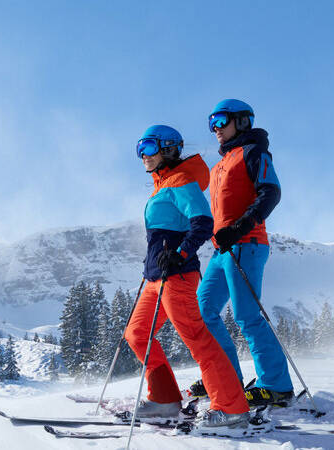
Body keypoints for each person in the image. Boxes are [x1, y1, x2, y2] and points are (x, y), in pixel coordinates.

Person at [125, 125, 249, 427]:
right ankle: (165, 399)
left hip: (177, 277)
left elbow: (203, 223)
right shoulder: (162, 183)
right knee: (137, 334)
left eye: (150, 147)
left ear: (168, 149)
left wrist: (179, 253)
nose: (144, 155)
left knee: (197, 340)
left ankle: (232, 408)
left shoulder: (181, 180)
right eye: (140, 148)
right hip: (156, 278)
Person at [192, 99, 293, 407]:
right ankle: (226, 378)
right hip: (222, 250)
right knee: (204, 309)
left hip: (247, 243)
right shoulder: (220, 165)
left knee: (246, 315)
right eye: (212, 123)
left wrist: (240, 227)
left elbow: (270, 192)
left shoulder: (254, 152)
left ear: (242, 121)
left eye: (221, 120)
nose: (216, 128)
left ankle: (276, 385)